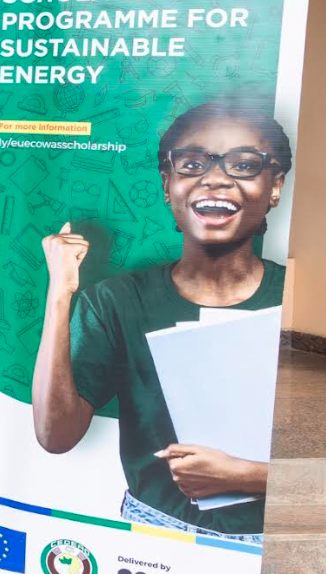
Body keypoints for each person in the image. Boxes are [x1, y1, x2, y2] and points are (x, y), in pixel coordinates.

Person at [33, 99, 290, 544]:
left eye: (244, 164)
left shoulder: (300, 300)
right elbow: (55, 435)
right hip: (152, 532)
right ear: (167, 184)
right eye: (192, 163)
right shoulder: (116, 301)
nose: (214, 178)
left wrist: (250, 475)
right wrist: (60, 293)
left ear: (275, 186)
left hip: (273, 538)